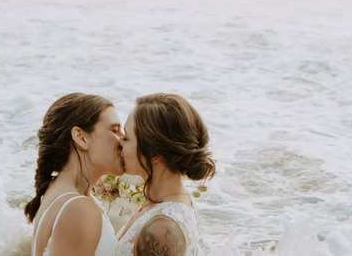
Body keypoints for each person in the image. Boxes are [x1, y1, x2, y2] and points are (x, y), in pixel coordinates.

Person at [115, 93, 215, 256]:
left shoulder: (162, 229)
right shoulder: (161, 202)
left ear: (154, 154)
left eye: (126, 138)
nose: (119, 143)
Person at [25, 93, 124, 256]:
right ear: (81, 137)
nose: (123, 139)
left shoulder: (58, 192)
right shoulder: (78, 209)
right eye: (115, 130)